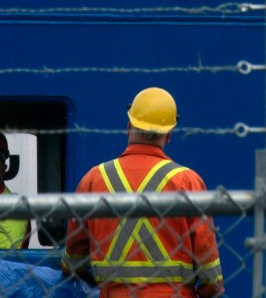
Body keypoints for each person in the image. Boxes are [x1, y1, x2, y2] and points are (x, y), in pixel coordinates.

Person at [62, 87, 224, 298]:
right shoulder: (186, 181)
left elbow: (73, 261)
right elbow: (209, 271)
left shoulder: (94, 179)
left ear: (129, 126)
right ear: (168, 135)